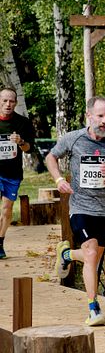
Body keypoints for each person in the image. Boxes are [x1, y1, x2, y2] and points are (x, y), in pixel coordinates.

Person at [46, 96, 105, 326]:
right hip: (81, 207)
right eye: (100, 116)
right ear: (89, 116)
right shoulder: (74, 139)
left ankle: (66, 255)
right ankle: (94, 308)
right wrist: (58, 180)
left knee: (91, 260)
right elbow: (51, 157)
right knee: (91, 254)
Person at [0, 87, 35, 259]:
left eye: (11, 101)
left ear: (16, 103)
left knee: (6, 210)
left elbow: (29, 149)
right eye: (4, 100)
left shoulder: (23, 122)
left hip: (12, 173)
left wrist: (20, 141)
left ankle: (0, 242)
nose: (8, 104)